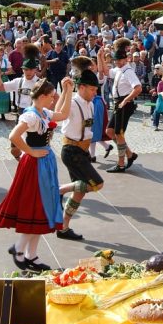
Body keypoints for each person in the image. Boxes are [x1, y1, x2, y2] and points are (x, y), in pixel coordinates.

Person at [0, 76, 74, 272]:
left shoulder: (43, 112)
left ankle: (31, 254)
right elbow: (13, 136)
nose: (53, 99)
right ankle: (20, 249)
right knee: (37, 206)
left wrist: (68, 90)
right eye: (52, 97)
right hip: (35, 164)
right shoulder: (31, 116)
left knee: (42, 207)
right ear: (43, 96)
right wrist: (31, 152)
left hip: (44, 163)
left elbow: (63, 114)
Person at [56, 69, 105, 241]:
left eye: (96, 89)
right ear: (82, 87)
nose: (95, 92)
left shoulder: (90, 103)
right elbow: (57, 114)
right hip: (71, 151)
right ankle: (59, 189)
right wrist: (65, 91)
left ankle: (63, 227)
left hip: (81, 152)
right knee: (97, 184)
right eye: (92, 89)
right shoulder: (74, 101)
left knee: (80, 191)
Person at [102, 38, 141, 173]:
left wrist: (126, 100)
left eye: (119, 60)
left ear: (125, 59)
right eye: (116, 61)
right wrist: (100, 57)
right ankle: (130, 154)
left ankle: (121, 163)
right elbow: (106, 72)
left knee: (118, 133)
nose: (117, 62)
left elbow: (138, 88)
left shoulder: (128, 71)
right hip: (118, 103)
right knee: (110, 132)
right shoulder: (119, 69)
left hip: (124, 103)